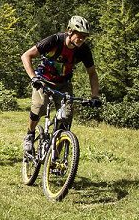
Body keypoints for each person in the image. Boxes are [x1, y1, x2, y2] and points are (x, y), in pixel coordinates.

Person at [20, 14, 101, 157]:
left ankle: (55, 156)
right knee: (40, 107)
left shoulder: (83, 50)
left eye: (85, 36)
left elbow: (92, 73)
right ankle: (30, 135)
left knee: (66, 117)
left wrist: (95, 96)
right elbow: (26, 55)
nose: (82, 39)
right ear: (70, 31)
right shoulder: (55, 40)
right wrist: (33, 78)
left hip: (64, 84)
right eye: (79, 35)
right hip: (43, 80)